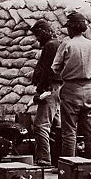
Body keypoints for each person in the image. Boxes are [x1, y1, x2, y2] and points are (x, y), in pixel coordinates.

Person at [51, 11, 91, 159]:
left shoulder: (67, 43)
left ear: (71, 28)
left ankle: (70, 167)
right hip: (89, 89)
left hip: (71, 89)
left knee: (69, 132)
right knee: (90, 131)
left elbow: (55, 67)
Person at [29, 20, 62, 166]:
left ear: (43, 32)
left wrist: (40, 90)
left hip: (50, 88)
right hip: (58, 88)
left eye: (38, 35)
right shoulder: (57, 44)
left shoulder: (50, 46)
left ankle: (44, 159)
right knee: (56, 125)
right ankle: (57, 158)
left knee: (40, 125)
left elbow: (47, 71)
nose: (37, 39)